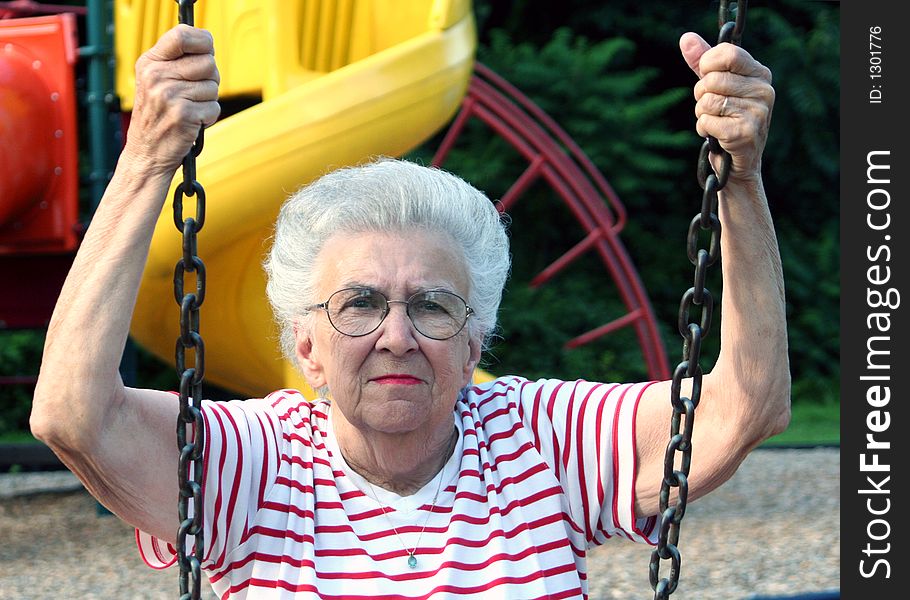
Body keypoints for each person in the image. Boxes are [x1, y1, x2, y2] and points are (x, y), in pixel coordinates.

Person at [30, 23, 789, 599]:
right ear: (306, 345)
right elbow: (72, 415)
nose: (397, 336)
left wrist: (741, 184)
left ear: (473, 339)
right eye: (358, 304)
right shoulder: (250, 466)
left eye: (432, 306)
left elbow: (743, 406)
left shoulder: (544, 442)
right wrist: (147, 163)